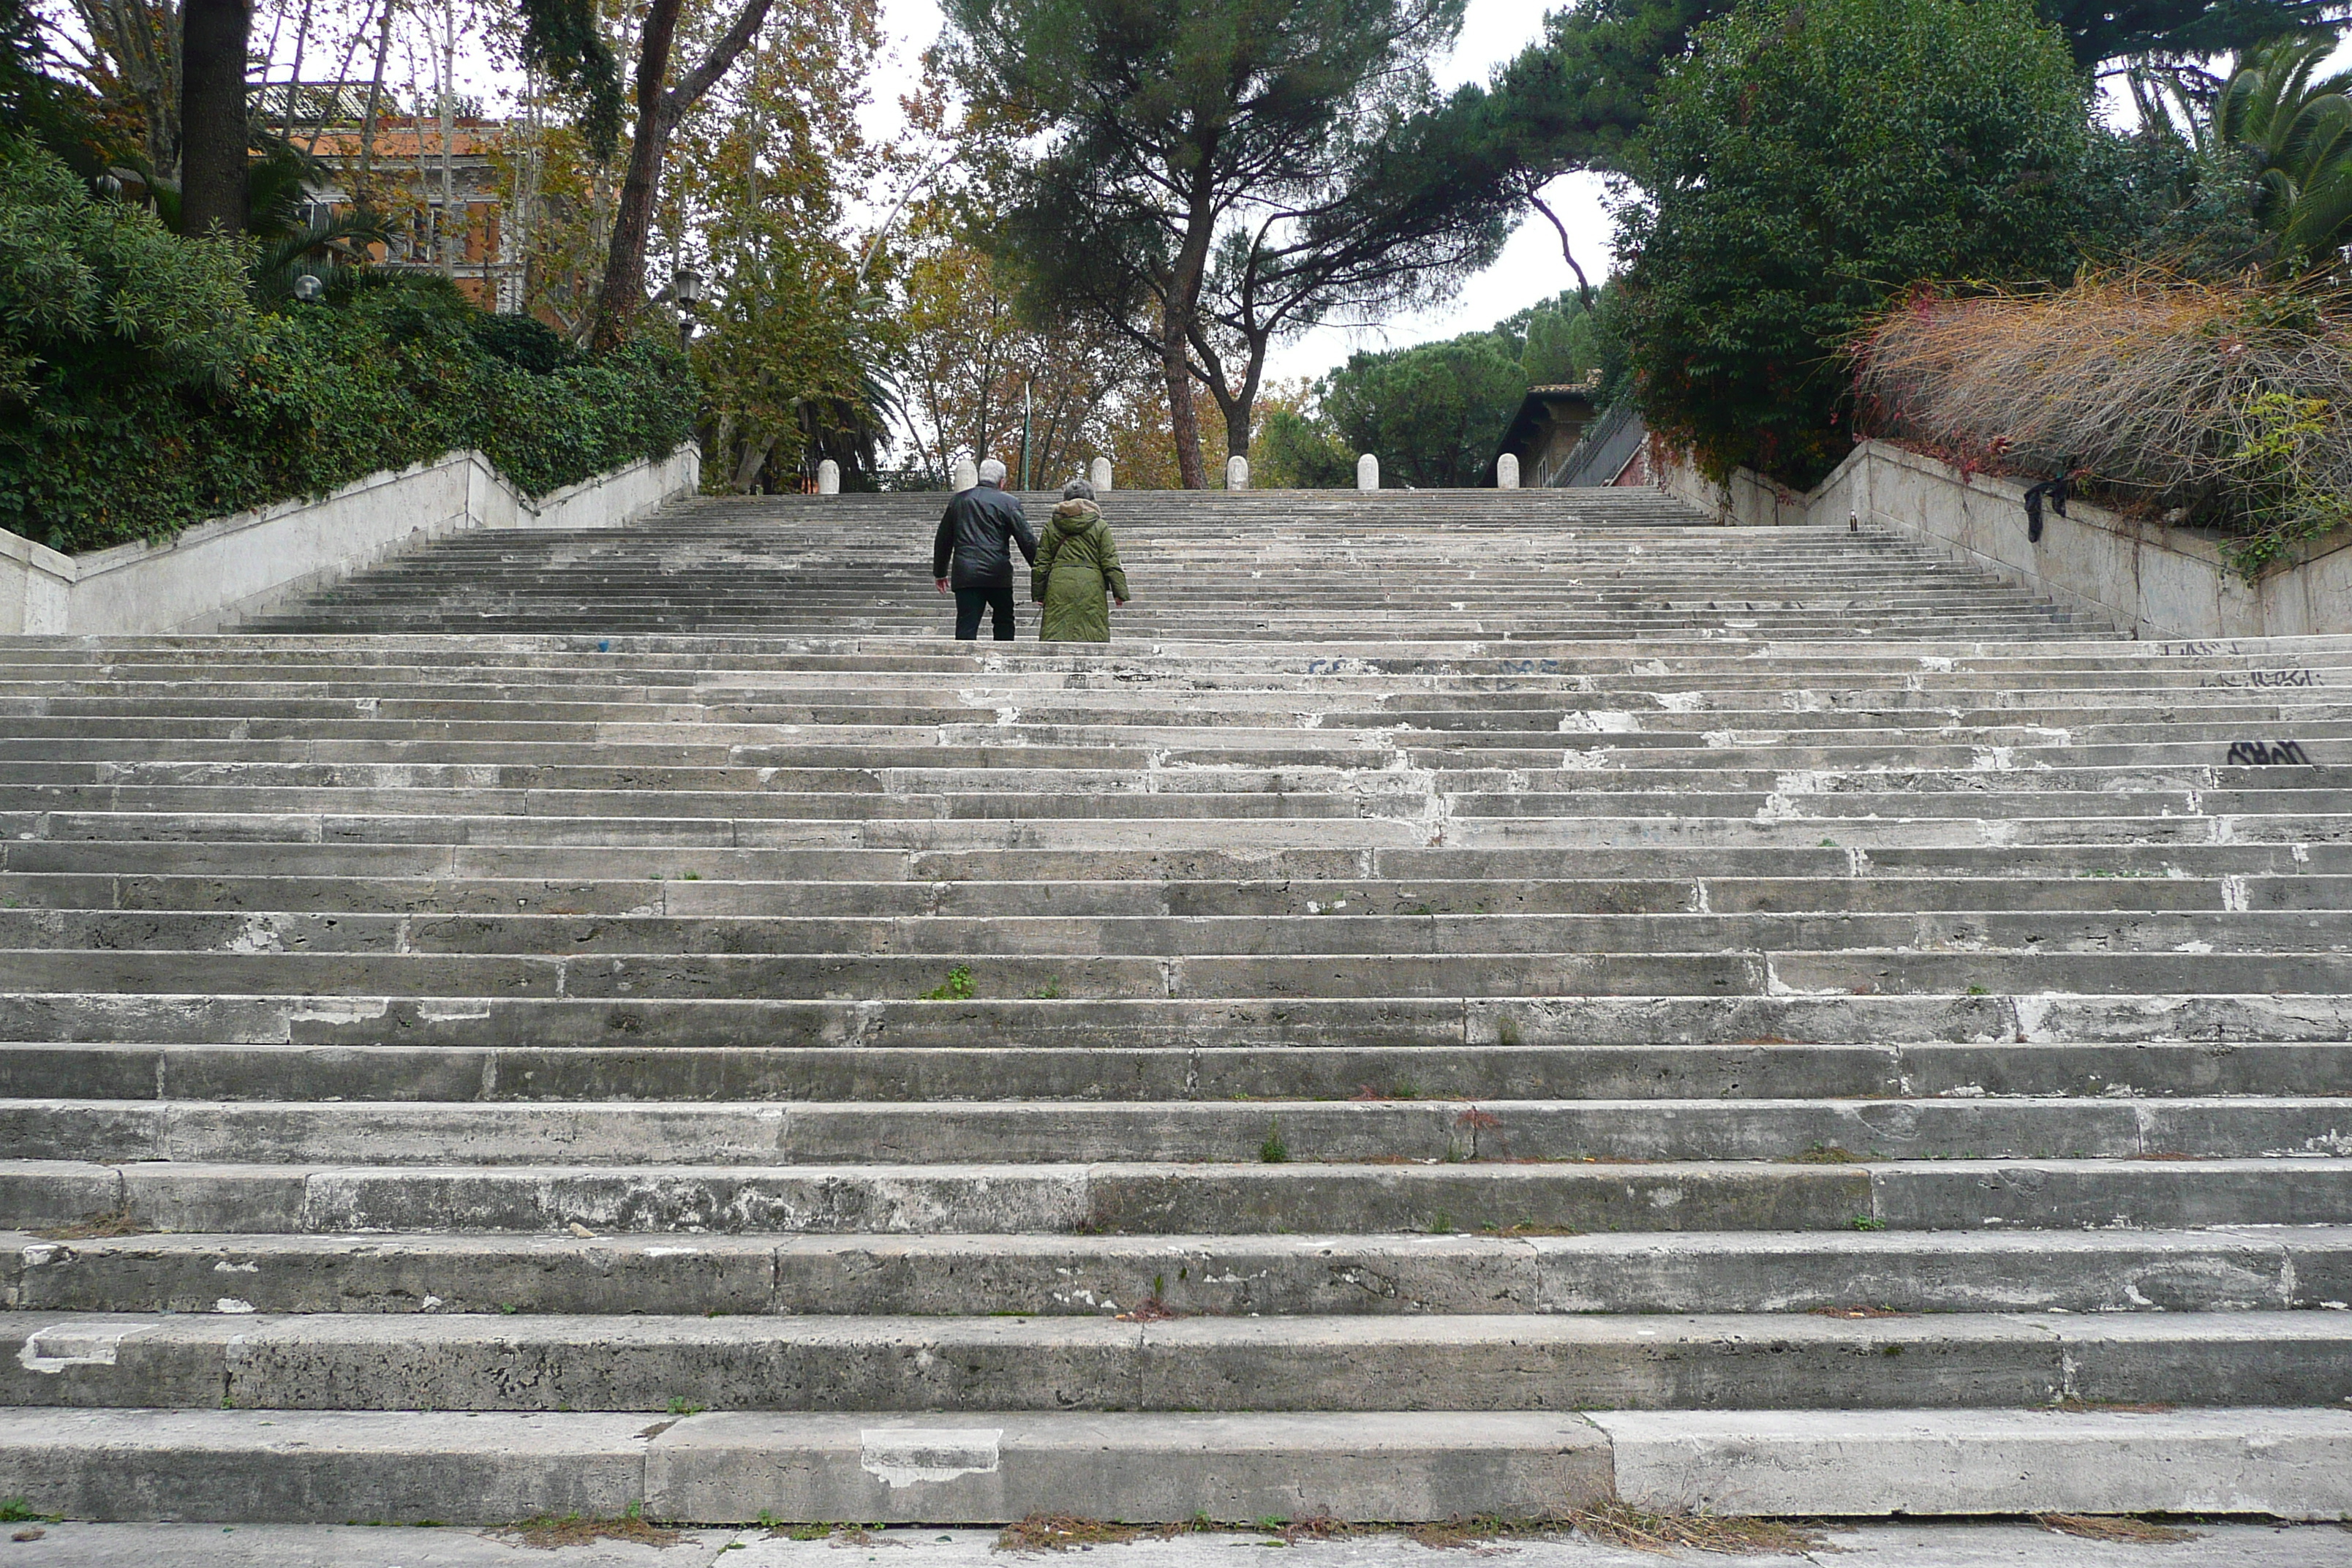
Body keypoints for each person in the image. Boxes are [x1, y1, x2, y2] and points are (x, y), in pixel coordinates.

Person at [932, 459, 1039, 641]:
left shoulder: (958, 501)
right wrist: (1040, 572)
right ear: (1002, 481)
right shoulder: (1009, 502)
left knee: (967, 623)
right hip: (998, 572)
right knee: (1004, 621)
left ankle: (964, 663)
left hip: (966, 573)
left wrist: (940, 572)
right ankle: (1005, 660)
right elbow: (1026, 540)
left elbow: (943, 539)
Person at [1032, 477, 1129, 642]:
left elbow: (1041, 563)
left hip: (1059, 584)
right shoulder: (1100, 526)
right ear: (1091, 499)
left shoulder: (1052, 525)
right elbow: (1110, 561)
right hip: (1091, 586)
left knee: (1056, 634)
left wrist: (1039, 594)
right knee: (1092, 633)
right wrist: (1120, 592)